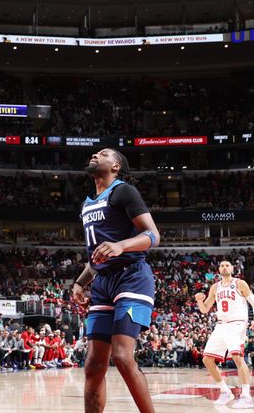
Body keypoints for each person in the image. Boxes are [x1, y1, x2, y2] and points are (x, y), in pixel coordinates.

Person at [71, 149, 160, 413]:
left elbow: (153, 235)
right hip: (102, 283)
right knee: (94, 364)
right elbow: (98, 256)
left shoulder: (124, 191)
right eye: (95, 152)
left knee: (121, 356)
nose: (95, 155)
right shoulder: (87, 203)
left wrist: (122, 246)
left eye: (104, 154)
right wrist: (80, 282)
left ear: (116, 166)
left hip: (131, 276)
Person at [194, 260, 254, 409]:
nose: (224, 267)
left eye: (227, 265)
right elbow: (205, 309)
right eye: (222, 265)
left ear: (232, 268)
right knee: (207, 359)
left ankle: (246, 396)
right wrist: (199, 301)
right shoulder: (215, 287)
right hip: (221, 325)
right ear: (218, 269)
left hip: (237, 323)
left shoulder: (240, 283)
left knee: (237, 356)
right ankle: (225, 392)